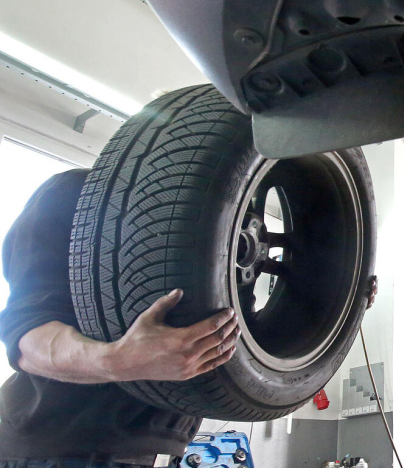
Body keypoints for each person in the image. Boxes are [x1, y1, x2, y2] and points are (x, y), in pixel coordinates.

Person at [0, 169, 240, 467]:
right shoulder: (82, 190)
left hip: (163, 452)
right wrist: (118, 360)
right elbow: (26, 335)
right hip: (61, 450)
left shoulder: (224, 224)